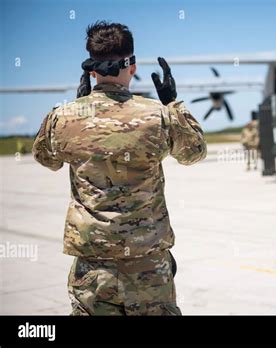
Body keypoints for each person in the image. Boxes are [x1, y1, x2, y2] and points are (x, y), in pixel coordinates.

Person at [32, 21, 206, 315]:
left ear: (91, 69)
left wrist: (79, 110)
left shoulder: (62, 117)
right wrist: (174, 103)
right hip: (147, 267)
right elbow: (194, 153)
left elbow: (46, 158)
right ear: (132, 66)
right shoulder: (158, 115)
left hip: (92, 269)